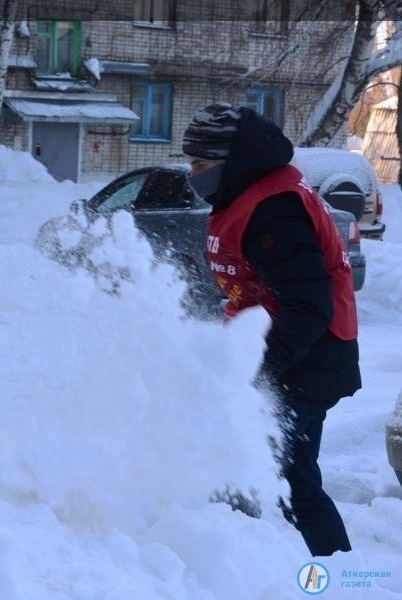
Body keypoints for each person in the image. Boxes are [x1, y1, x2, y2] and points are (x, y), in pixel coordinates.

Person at [182, 103, 361, 557]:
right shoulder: (247, 194)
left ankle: (334, 574)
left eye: (200, 165)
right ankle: (236, 562)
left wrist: (261, 372)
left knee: (287, 477)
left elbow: (308, 304)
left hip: (310, 359)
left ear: (230, 162)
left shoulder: (274, 209)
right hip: (289, 355)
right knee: (249, 465)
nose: (192, 174)